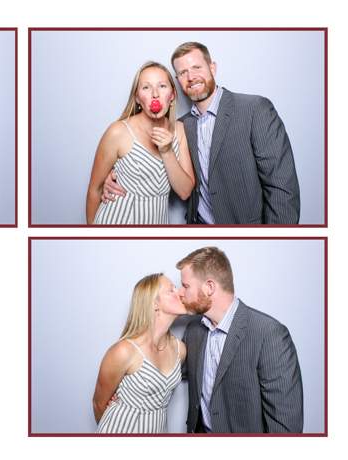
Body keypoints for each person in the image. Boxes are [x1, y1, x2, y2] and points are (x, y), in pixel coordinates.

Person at [103, 43, 300, 225]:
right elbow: (159, 171)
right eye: (183, 72)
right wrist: (115, 177)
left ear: (212, 68)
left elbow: (282, 188)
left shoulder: (254, 109)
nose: (191, 77)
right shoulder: (181, 127)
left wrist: (275, 237)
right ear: (178, 82)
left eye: (197, 67)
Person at [177, 247, 303, 433]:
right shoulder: (194, 331)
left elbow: (286, 427)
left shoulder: (269, 334)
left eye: (186, 286)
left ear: (209, 287)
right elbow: (172, 373)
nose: (180, 292)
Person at [87, 62, 194, 225]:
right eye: (146, 87)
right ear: (137, 98)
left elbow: (185, 191)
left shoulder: (180, 130)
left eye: (162, 86)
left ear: (172, 94)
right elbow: (94, 190)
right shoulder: (118, 131)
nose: (155, 94)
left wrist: (167, 152)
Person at [92, 273, 188, 433]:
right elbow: (98, 403)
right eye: (171, 290)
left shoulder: (180, 350)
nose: (180, 292)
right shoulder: (124, 351)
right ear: (155, 303)